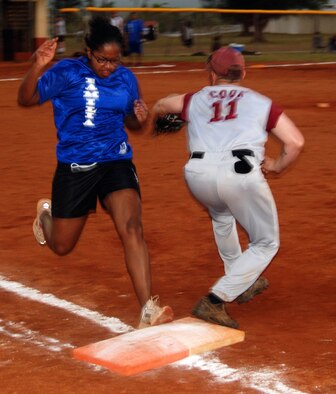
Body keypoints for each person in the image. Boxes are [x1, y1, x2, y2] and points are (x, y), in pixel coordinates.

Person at [17, 16, 173, 329]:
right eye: (103, 60)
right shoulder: (67, 72)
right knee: (62, 246)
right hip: (76, 166)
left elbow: (129, 120)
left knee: (132, 227)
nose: (109, 67)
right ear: (89, 51)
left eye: (115, 61)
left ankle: (148, 309)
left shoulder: (125, 78)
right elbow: (27, 98)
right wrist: (37, 65)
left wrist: (138, 119)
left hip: (115, 160)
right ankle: (46, 217)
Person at [152, 47, 304, 328]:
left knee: (222, 218)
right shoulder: (260, 102)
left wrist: (164, 116)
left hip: (197, 176)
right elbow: (295, 143)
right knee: (265, 242)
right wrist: (276, 166)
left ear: (212, 75)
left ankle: (240, 280)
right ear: (243, 73)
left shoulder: (195, 99)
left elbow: (162, 105)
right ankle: (216, 299)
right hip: (241, 176)